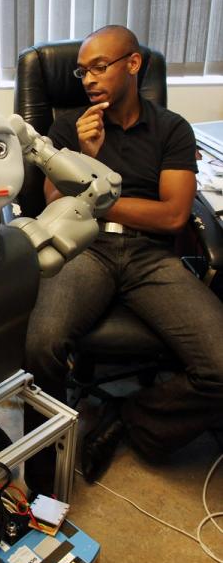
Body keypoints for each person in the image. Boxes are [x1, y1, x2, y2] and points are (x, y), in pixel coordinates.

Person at [25, 25, 223, 486]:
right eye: (81, 71)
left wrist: (94, 195)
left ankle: (134, 419)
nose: (88, 79)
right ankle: (43, 476)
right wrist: (83, 156)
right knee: (40, 344)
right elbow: (54, 204)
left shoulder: (171, 129)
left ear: (133, 65)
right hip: (84, 247)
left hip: (149, 256)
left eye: (99, 67)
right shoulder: (68, 126)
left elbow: (173, 216)